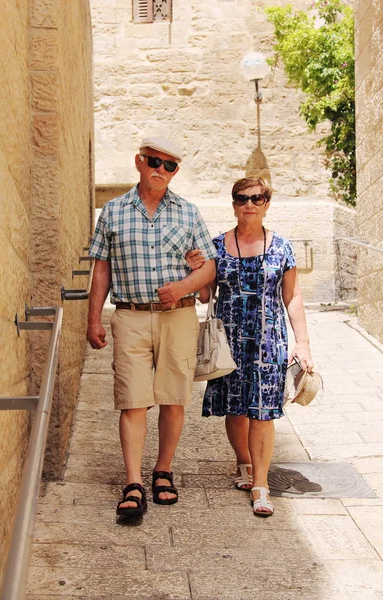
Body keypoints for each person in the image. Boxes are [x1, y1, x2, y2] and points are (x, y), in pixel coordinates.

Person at [87, 136, 217, 519]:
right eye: (154, 162)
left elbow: (209, 267)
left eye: (170, 165)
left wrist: (183, 287)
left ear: (175, 171)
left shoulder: (189, 213)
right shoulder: (111, 212)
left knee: (174, 397)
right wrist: (94, 318)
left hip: (178, 316)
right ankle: (133, 482)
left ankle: (163, 470)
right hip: (128, 316)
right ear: (139, 162)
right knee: (133, 398)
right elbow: (102, 269)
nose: (161, 170)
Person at [186, 176, 313, 517]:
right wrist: (195, 269)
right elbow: (203, 295)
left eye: (257, 198)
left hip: (268, 341)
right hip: (228, 341)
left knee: (263, 411)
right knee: (236, 408)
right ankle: (243, 462)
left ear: (267, 203)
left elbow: (293, 296)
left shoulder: (282, 247)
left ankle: (261, 484)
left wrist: (302, 343)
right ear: (234, 204)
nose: (249, 205)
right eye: (242, 199)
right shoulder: (216, 246)